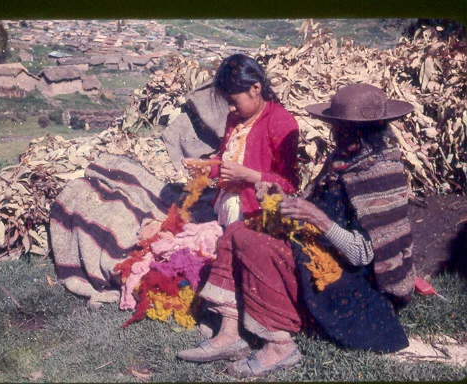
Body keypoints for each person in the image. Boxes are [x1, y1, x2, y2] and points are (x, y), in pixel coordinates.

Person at [177, 83, 416, 378]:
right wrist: (281, 198)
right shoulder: (343, 161)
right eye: (337, 127)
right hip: (320, 253)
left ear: (371, 131)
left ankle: (280, 346)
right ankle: (229, 334)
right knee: (239, 231)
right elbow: (313, 205)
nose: (337, 134)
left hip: (351, 280)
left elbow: (365, 254)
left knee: (258, 247)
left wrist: (319, 220)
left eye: (345, 128)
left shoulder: (381, 173)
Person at [182, 53, 299, 227]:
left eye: (234, 101)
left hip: (255, 212)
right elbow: (226, 158)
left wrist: (248, 175)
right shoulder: (235, 119)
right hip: (226, 203)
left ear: (255, 88)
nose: (230, 108)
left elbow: (289, 184)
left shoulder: (281, 123)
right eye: (227, 102)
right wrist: (207, 167)